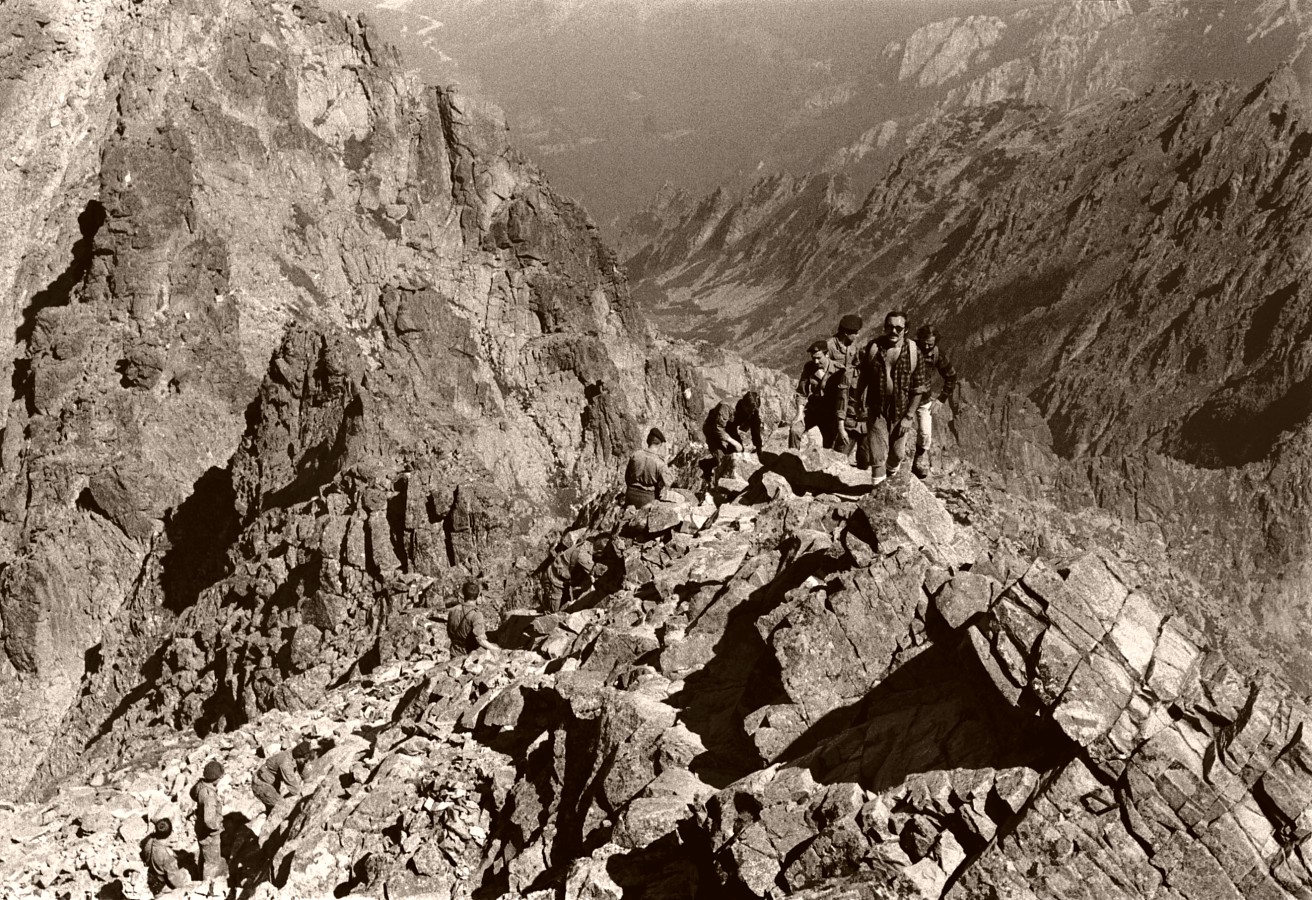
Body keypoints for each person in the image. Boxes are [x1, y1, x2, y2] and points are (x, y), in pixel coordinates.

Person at [853, 310, 928, 482]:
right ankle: (877, 490)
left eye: (898, 328)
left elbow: (918, 389)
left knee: (897, 454)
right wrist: (858, 402)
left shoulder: (914, 353)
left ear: (906, 330)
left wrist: (909, 416)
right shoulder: (874, 348)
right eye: (889, 327)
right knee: (877, 455)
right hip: (877, 408)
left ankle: (890, 481)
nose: (893, 331)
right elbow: (863, 377)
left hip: (901, 409)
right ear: (885, 327)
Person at [912, 324, 959, 478]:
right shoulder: (909, 348)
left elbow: (951, 376)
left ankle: (918, 459)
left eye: (930, 344)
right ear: (919, 338)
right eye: (924, 343)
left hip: (924, 398)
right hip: (904, 397)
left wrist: (941, 399)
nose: (927, 347)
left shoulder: (937, 354)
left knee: (925, 433)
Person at [700, 390, 763, 489]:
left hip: (729, 428)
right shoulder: (726, 406)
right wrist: (734, 443)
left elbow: (756, 430)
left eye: (754, 411)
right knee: (722, 460)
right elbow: (718, 429)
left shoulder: (753, 410)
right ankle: (714, 481)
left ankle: (709, 465)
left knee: (738, 454)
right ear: (744, 405)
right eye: (750, 411)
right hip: (712, 430)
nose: (752, 413)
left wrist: (759, 452)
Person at [825, 315, 864, 452]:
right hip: (831, 393)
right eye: (855, 333)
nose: (857, 335)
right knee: (829, 431)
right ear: (846, 333)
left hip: (847, 394)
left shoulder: (854, 345)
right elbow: (822, 369)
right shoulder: (829, 346)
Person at [791, 339, 838, 448]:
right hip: (813, 409)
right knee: (795, 430)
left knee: (830, 444)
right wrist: (799, 413)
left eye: (819, 358)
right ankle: (791, 456)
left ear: (827, 354)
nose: (816, 361)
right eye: (813, 358)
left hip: (830, 414)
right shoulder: (809, 367)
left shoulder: (838, 370)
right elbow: (802, 393)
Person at [543, 537, 606, 612]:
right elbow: (595, 571)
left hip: (561, 579)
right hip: (554, 579)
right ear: (599, 551)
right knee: (553, 612)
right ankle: (547, 608)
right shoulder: (584, 557)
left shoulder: (587, 544)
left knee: (567, 604)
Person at [251, 741, 311, 812]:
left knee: (277, 807)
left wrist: (309, 784)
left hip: (272, 783)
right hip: (261, 784)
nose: (306, 762)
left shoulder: (296, 758)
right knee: (280, 808)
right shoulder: (286, 763)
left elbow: (305, 775)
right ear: (298, 756)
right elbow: (294, 790)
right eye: (304, 760)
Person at [624, 428, 672, 508]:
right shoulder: (660, 462)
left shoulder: (635, 455)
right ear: (660, 444)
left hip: (630, 495)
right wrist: (665, 465)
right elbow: (669, 481)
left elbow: (627, 477)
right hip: (647, 499)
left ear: (648, 440)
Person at [193, 760, 225, 880]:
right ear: (215, 779)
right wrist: (218, 825)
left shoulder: (200, 785)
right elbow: (209, 821)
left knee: (204, 856)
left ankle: (200, 877)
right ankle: (208, 886)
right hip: (210, 834)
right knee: (212, 863)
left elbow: (192, 793)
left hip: (200, 828)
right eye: (220, 777)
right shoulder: (209, 796)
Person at [141, 818, 190, 894]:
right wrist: (185, 879)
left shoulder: (149, 840)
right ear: (170, 834)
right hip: (160, 885)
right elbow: (175, 880)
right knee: (187, 875)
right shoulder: (167, 855)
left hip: (151, 875)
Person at [447, 579, 495, 652]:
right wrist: (496, 649)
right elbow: (481, 640)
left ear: (463, 594)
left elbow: (449, 632)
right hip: (469, 653)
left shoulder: (453, 610)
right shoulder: (476, 614)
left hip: (454, 651)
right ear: (478, 596)